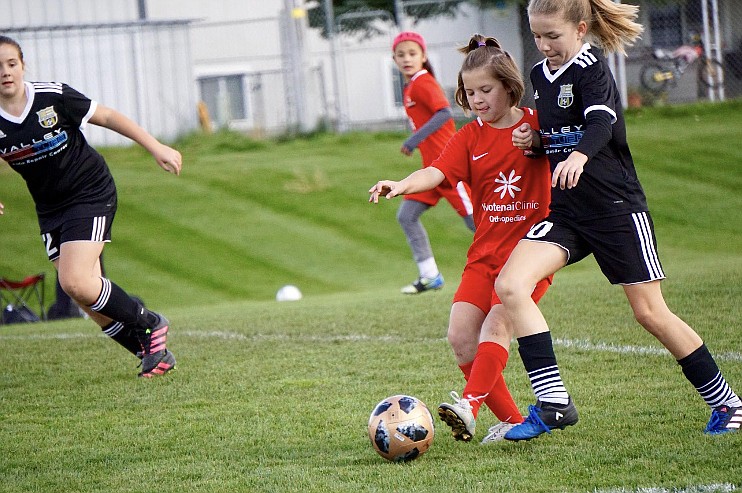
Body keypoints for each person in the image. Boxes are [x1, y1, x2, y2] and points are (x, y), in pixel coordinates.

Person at [495, 0, 741, 441]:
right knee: (511, 285)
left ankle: (727, 402)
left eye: (553, 35)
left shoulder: (592, 68)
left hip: (616, 210)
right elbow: (556, 132)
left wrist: (579, 155)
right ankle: (554, 404)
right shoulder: (538, 76)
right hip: (568, 212)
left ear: (581, 28)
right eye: (537, 35)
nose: (544, 44)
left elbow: (601, 123)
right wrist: (534, 141)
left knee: (649, 312)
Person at [370, 34, 552, 443]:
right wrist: (401, 184)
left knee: (498, 326)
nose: (477, 100)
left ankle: (469, 405)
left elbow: (565, 149)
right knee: (460, 339)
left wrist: (539, 142)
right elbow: (435, 172)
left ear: (509, 85)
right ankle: (511, 420)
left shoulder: (536, 126)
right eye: (470, 93)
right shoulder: (470, 136)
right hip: (483, 255)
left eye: (485, 90)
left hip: (527, 256)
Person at [0, 35, 181, 378]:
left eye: (12, 64)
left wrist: (156, 147)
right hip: (50, 207)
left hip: (89, 191)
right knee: (82, 293)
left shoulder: (52, 96)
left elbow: (109, 116)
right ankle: (149, 352)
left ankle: (149, 322)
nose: (6, 72)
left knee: (77, 281)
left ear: (23, 66)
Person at [390, 31, 475, 295]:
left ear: (424, 57)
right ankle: (430, 275)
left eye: (412, 54)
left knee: (478, 223)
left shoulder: (423, 82)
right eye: (401, 55)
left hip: (450, 169)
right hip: (431, 172)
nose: (407, 59)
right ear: (394, 59)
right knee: (406, 216)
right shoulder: (410, 87)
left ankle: (517, 264)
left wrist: (414, 139)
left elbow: (444, 113)